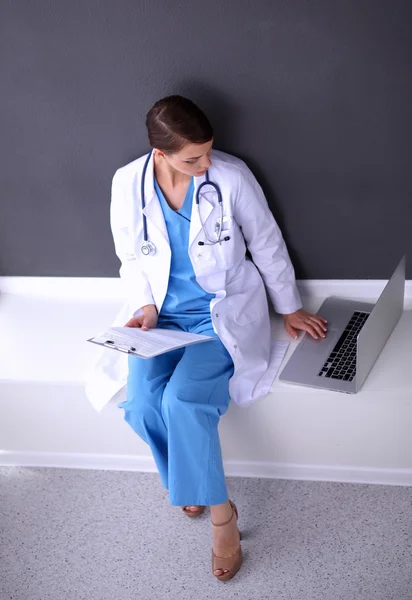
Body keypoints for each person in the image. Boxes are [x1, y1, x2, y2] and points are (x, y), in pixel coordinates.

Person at [106, 95, 327, 581]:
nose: (206, 165)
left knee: (183, 402)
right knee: (142, 404)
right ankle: (185, 481)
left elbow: (267, 241)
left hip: (218, 315)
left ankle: (222, 516)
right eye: (193, 158)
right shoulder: (128, 182)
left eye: (208, 152)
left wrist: (288, 308)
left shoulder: (231, 176)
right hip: (160, 316)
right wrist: (145, 308)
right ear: (160, 153)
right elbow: (129, 255)